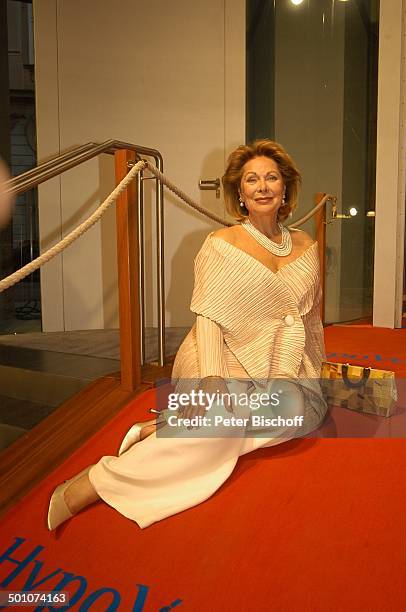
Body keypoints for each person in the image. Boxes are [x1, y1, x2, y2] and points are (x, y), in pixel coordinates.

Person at [47, 139, 328, 531]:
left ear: (285, 188)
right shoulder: (222, 245)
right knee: (222, 421)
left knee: (296, 412)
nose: (262, 186)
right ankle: (91, 483)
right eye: (252, 179)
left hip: (281, 363)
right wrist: (212, 380)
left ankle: (160, 429)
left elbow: (310, 318)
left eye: (271, 178)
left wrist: (315, 368)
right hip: (222, 354)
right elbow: (209, 319)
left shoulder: (305, 245)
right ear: (240, 193)